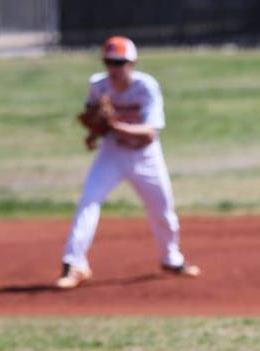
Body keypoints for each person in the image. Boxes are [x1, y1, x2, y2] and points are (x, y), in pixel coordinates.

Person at [56, 36, 199, 289]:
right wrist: (93, 135)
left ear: (132, 62)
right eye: (109, 62)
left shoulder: (146, 87)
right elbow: (95, 120)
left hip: (146, 156)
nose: (114, 68)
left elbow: (149, 134)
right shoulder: (98, 86)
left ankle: (171, 259)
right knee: (88, 202)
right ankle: (74, 264)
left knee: (162, 210)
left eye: (120, 62)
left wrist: (114, 125)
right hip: (112, 154)